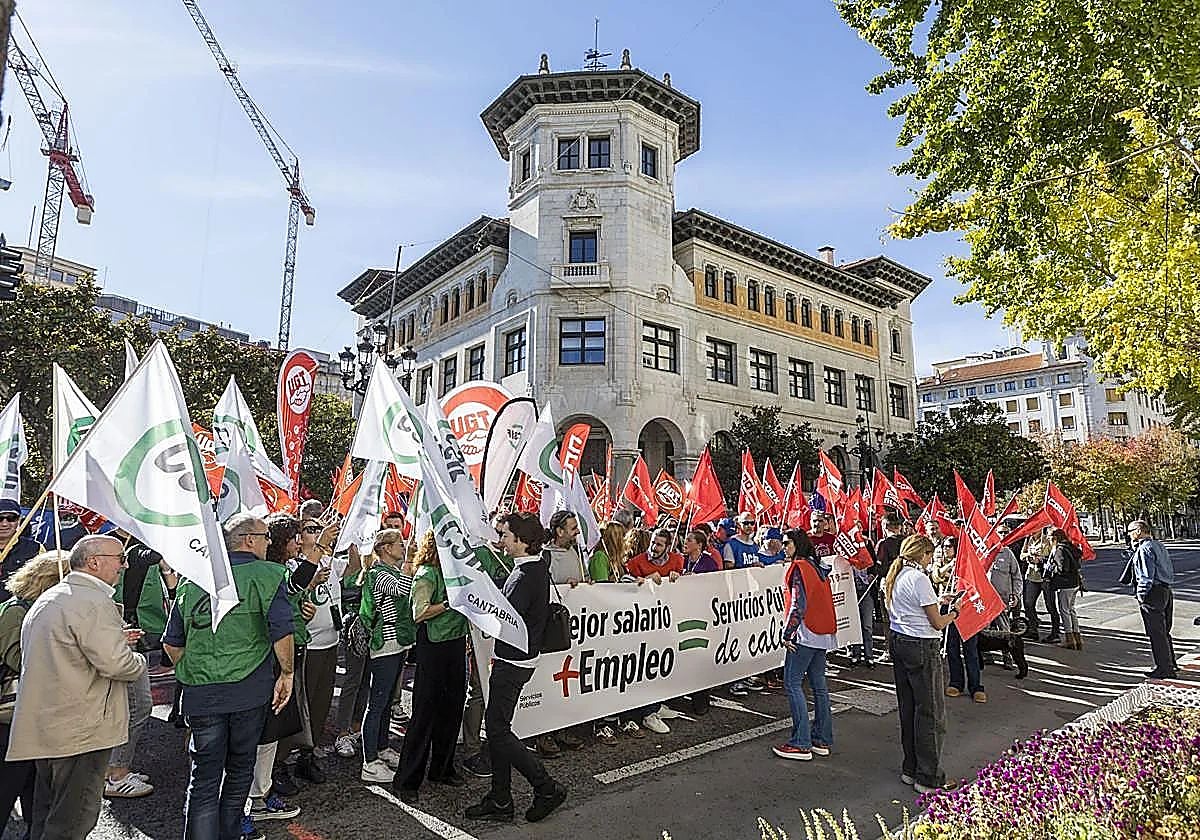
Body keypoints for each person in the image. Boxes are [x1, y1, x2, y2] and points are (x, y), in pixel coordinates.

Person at [163, 514, 294, 840]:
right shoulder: (268, 575)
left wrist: (193, 671)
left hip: (201, 693)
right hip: (247, 691)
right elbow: (282, 631)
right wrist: (287, 673)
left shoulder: (193, 579)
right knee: (238, 771)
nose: (269, 543)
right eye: (265, 536)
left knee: (204, 778)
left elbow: (172, 642)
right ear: (249, 540)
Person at [7, 535, 147, 839]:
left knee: (47, 816)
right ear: (94, 562)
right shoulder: (91, 600)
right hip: (81, 729)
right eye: (120, 559)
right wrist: (138, 660)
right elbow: (117, 664)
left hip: (52, 726)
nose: (124, 566)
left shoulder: (54, 597)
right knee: (72, 821)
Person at [466, 512, 567, 825]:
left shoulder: (525, 575)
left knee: (497, 730)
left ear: (522, 541)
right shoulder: (533, 566)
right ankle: (500, 798)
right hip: (518, 658)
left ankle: (545, 787)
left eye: (506, 536)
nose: (501, 541)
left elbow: (503, 615)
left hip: (513, 662)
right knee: (498, 729)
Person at [394, 532, 469, 803]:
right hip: (433, 646)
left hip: (455, 642)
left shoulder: (458, 571)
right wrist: (450, 603)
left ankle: (442, 768)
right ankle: (407, 780)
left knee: (453, 707)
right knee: (425, 712)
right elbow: (419, 613)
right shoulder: (427, 573)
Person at [883, 534, 962, 794]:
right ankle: (928, 777)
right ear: (923, 554)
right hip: (921, 645)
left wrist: (939, 602)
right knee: (930, 713)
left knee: (909, 708)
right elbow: (937, 623)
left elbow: (915, 608)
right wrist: (954, 612)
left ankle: (911, 767)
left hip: (900, 640)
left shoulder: (897, 574)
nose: (931, 560)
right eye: (930, 555)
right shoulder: (920, 578)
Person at [0, 551, 70, 838]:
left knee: (38, 796)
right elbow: (19, 661)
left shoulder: (40, 608)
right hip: (12, 718)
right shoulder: (15, 611)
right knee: (7, 789)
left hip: (36, 714)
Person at [772, 530, 836, 761]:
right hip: (823, 630)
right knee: (819, 684)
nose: (784, 547)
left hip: (806, 631)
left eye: (787, 543)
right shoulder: (816, 566)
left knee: (792, 682)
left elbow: (798, 604)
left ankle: (801, 742)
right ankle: (821, 738)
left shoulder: (800, 567)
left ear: (797, 544)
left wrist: (787, 632)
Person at [358, 528, 415, 784]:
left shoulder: (389, 570)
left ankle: (381, 749)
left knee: (386, 702)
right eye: (399, 543)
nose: (403, 547)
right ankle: (369, 762)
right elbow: (402, 589)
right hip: (385, 645)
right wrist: (410, 561)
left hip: (397, 643)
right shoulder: (378, 573)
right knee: (377, 703)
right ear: (386, 548)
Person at [292, 516, 342, 784]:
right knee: (303, 705)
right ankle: (285, 758)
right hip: (308, 645)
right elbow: (295, 592)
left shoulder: (329, 561)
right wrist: (311, 583)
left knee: (321, 703)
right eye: (311, 530)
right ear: (299, 538)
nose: (318, 533)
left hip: (331, 642)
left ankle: (307, 756)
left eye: (319, 529)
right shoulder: (293, 565)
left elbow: (354, 568)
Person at [623, 529, 685, 734]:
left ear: (667, 547)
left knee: (661, 665)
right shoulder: (637, 562)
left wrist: (677, 577)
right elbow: (626, 585)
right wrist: (646, 579)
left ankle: (656, 705)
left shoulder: (677, 560)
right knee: (647, 666)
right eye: (652, 543)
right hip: (643, 623)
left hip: (667, 621)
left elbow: (684, 586)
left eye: (659, 544)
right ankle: (648, 714)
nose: (654, 548)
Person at [1128, 520, 1176, 678]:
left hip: (1153, 593)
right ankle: (1171, 663)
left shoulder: (1144, 549)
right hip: (1165, 590)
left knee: (1156, 633)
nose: (1129, 535)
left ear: (1138, 531)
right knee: (1164, 631)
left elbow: (1146, 576)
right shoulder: (1158, 545)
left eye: (1130, 531)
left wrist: (1141, 595)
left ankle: (1164, 668)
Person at [1045, 529, 1083, 651]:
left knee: (1065, 611)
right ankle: (1077, 639)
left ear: (1055, 537)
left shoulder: (1060, 549)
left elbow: (1062, 568)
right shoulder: (1070, 546)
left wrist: (1050, 567)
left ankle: (1069, 640)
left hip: (1066, 585)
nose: (1047, 538)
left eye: (1049, 536)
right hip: (1074, 583)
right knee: (1071, 610)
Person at [0, 500, 43, 602]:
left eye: (11, 518)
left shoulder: (35, 548)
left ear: (19, 520)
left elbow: (44, 581)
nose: (4, 523)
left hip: (18, 608)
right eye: (0, 518)